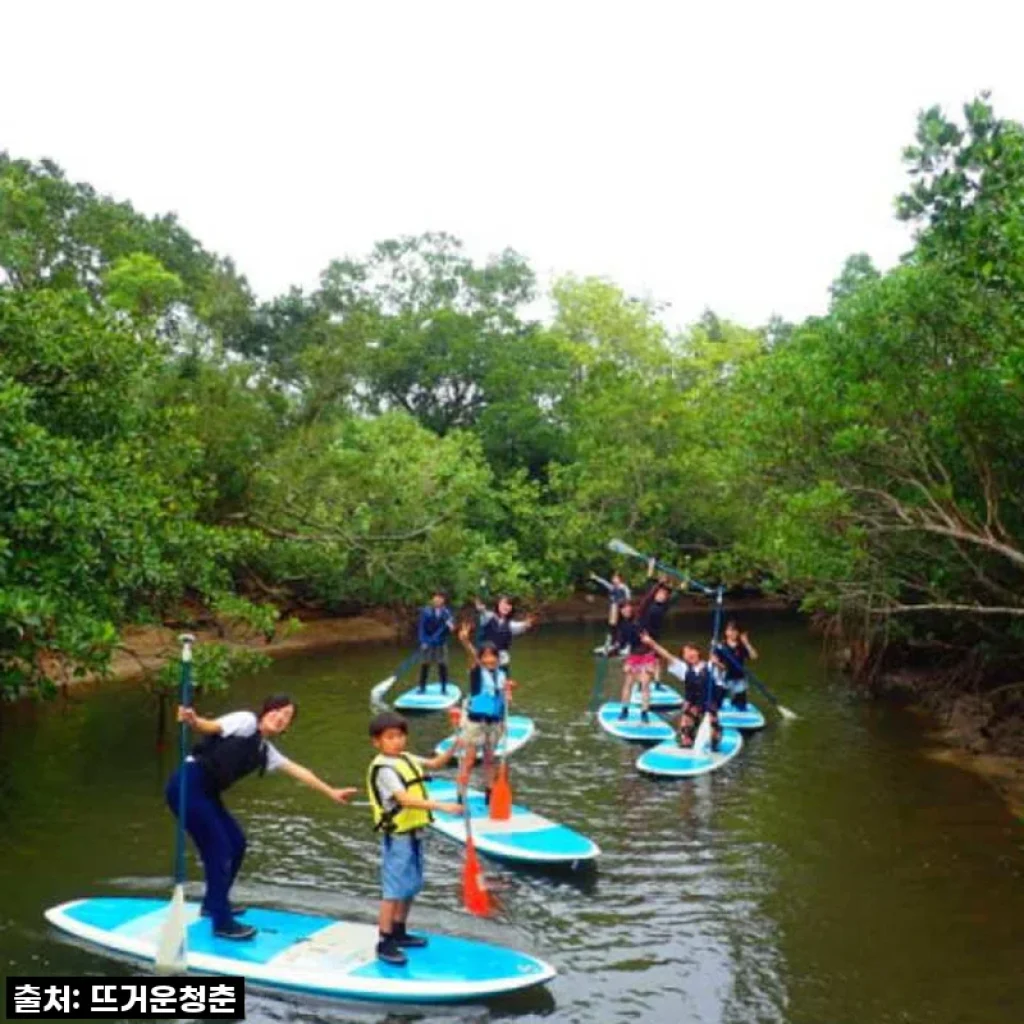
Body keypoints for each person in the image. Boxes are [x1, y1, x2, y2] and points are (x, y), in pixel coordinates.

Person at [166, 695, 356, 941]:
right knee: (220, 849)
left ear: (287, 727)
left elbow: (299, 771)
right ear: (266, 711)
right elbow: (211, 726)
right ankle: (222, 923)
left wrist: (331, 791)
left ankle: (214, 903)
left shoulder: (265, 750)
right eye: (278, 711)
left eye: (287, 717)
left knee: (237, 843)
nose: (281, 718)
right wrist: (193, 720)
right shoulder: (245, 721)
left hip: (206, 793)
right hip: (186, 786)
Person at [366, 710, 462, 966]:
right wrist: (443, 807)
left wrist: (457, 741)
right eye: (390, 737)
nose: (397, 741)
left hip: (415, 833)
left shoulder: (405, 757)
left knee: (412, 886)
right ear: (377, 742)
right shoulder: (384, 768)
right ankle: (384, 941)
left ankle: (399, 931)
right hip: (397, 837)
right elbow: (405, 799)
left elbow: (437, 763)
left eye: (400, 736)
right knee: (394, 890)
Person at [455, 622, 515, 801]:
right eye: (486, 657)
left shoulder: (501, 673)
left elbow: (504, 692)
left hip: (494, 723)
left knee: (490, 760)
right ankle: (461, 794)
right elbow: (472, 655)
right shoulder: (477, 671)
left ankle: (490, 794)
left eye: (493, 656)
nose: (490, 660)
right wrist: (465, 641)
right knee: (470, 759)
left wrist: (509, 692)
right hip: (476, 723)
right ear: (481, 658)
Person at [641, 633, 722, 750]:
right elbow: (666, 655)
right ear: (683, 657)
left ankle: (715, 739)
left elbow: (723, 674)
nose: (689, 654)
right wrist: (651, 643)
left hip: (708, 704)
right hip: (693, 705)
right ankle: (687, 742)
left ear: (698, 652)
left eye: (691, 650)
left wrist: (718, 664)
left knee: (714, 738)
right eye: (686, 653)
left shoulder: (711, 666)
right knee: (686, 725)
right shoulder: (683, 669)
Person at [612, 600, 658, 723]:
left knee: (645, 685)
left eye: (627, 608)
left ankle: (644, 713)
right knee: (628, 684)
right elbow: (622, 644)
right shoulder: (621, 626)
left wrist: (659, 584)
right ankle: (624, 710)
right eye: (623, 609)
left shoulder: (640, 617)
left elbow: (648, 599)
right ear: (620, 612)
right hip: (634, 656)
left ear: (631, 608)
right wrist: (614, 648)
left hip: (647, 655)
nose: (626, 610)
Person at [473, 594, 537, 670]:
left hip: (502, 661)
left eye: (509, 605)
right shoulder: (488, 616)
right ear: (498, 605)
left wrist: (529, 623)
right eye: (504, 603)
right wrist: (479, 605)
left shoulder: (510, 625)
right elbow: (482, 610)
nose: (506, 607)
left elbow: (524, 625)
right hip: (485, 659)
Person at [712, 620, 759, 710]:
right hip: (724, 678)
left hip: (739, 678)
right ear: (726, 632)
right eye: (730, 630)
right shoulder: (720, 646)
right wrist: (716, 662)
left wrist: (746, 643)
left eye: (734, 631)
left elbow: (754, 656)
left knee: (741, 705)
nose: (732, 633)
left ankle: (738, 704)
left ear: (738, 633)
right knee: (717, 703)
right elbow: (716, 662)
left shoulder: (741, 646)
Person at [416, 589, 454, 692]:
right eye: (435, 597)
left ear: (443, 600)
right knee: (425, 664)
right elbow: (421, 628)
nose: (437, 600)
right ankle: (422, 687)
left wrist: (450, 627)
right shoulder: (426, 611)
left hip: (440, 642)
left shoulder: (446, 612)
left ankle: (444, 688)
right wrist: (423, 641)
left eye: (440, 598)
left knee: (442, 665)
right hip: (427, 642)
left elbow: (449, 628)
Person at [589, 570, 631, 653]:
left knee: (623, 628)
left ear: (620, 579)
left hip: (622, 611)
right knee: (612, 627)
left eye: (615, 578)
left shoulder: (624, 587)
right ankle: (612, 644)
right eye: (613, 578)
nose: (613, 580)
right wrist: (595, 578)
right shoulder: (612, 587)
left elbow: (628, 598)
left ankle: (626, 645)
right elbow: (604, 583)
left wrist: (625, 608)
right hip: (614, 611)